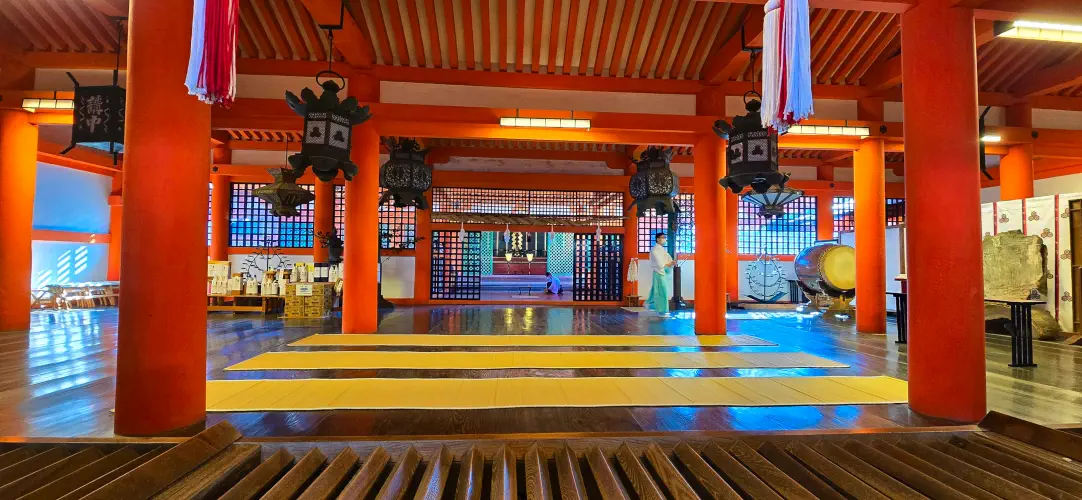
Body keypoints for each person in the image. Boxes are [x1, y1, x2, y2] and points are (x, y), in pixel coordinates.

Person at [647, 232, 675, 316]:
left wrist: (670, 262)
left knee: (658, 290)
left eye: (665, 237)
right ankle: (661, 310)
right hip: (658, 271)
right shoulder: (654, 249)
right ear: (658, 239)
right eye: (663, 237)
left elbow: (666, 257)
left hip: (662, 271)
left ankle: (652, 305)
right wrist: (666, 265)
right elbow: (658, 261)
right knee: (661, 291)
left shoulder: (662, 249)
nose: (664, 239)